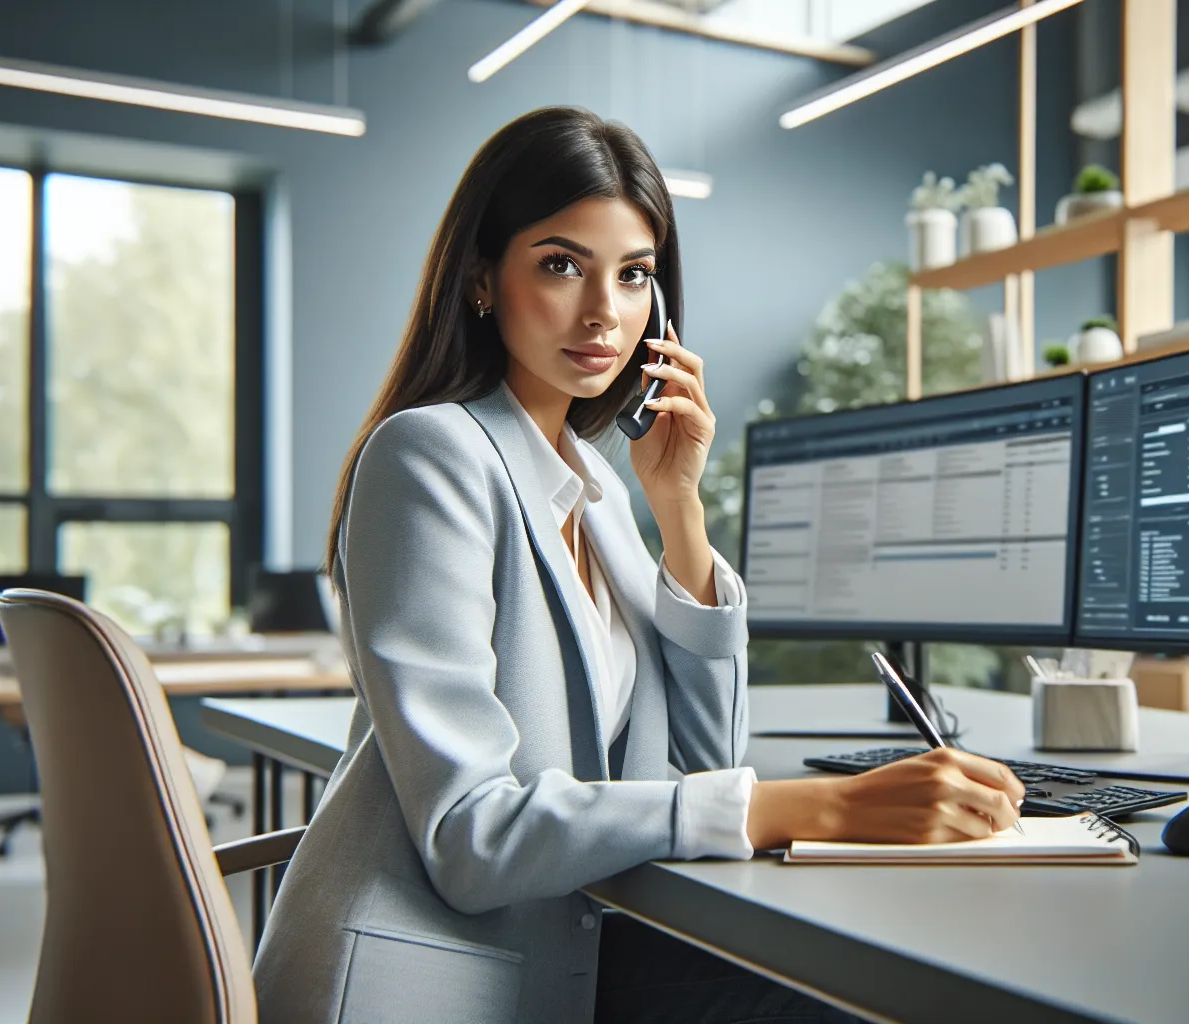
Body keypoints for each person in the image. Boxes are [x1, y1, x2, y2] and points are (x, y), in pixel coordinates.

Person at [253, 106, 1025, 1023]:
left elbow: (706, 760)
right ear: (480, 282)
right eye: (560, 264)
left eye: (633, 276)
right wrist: (815, 809)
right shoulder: (430, 457)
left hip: (560, 954)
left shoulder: (600, 493)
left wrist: (679, 511)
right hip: (426, 983)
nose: (603, 313)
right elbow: (473, 839)